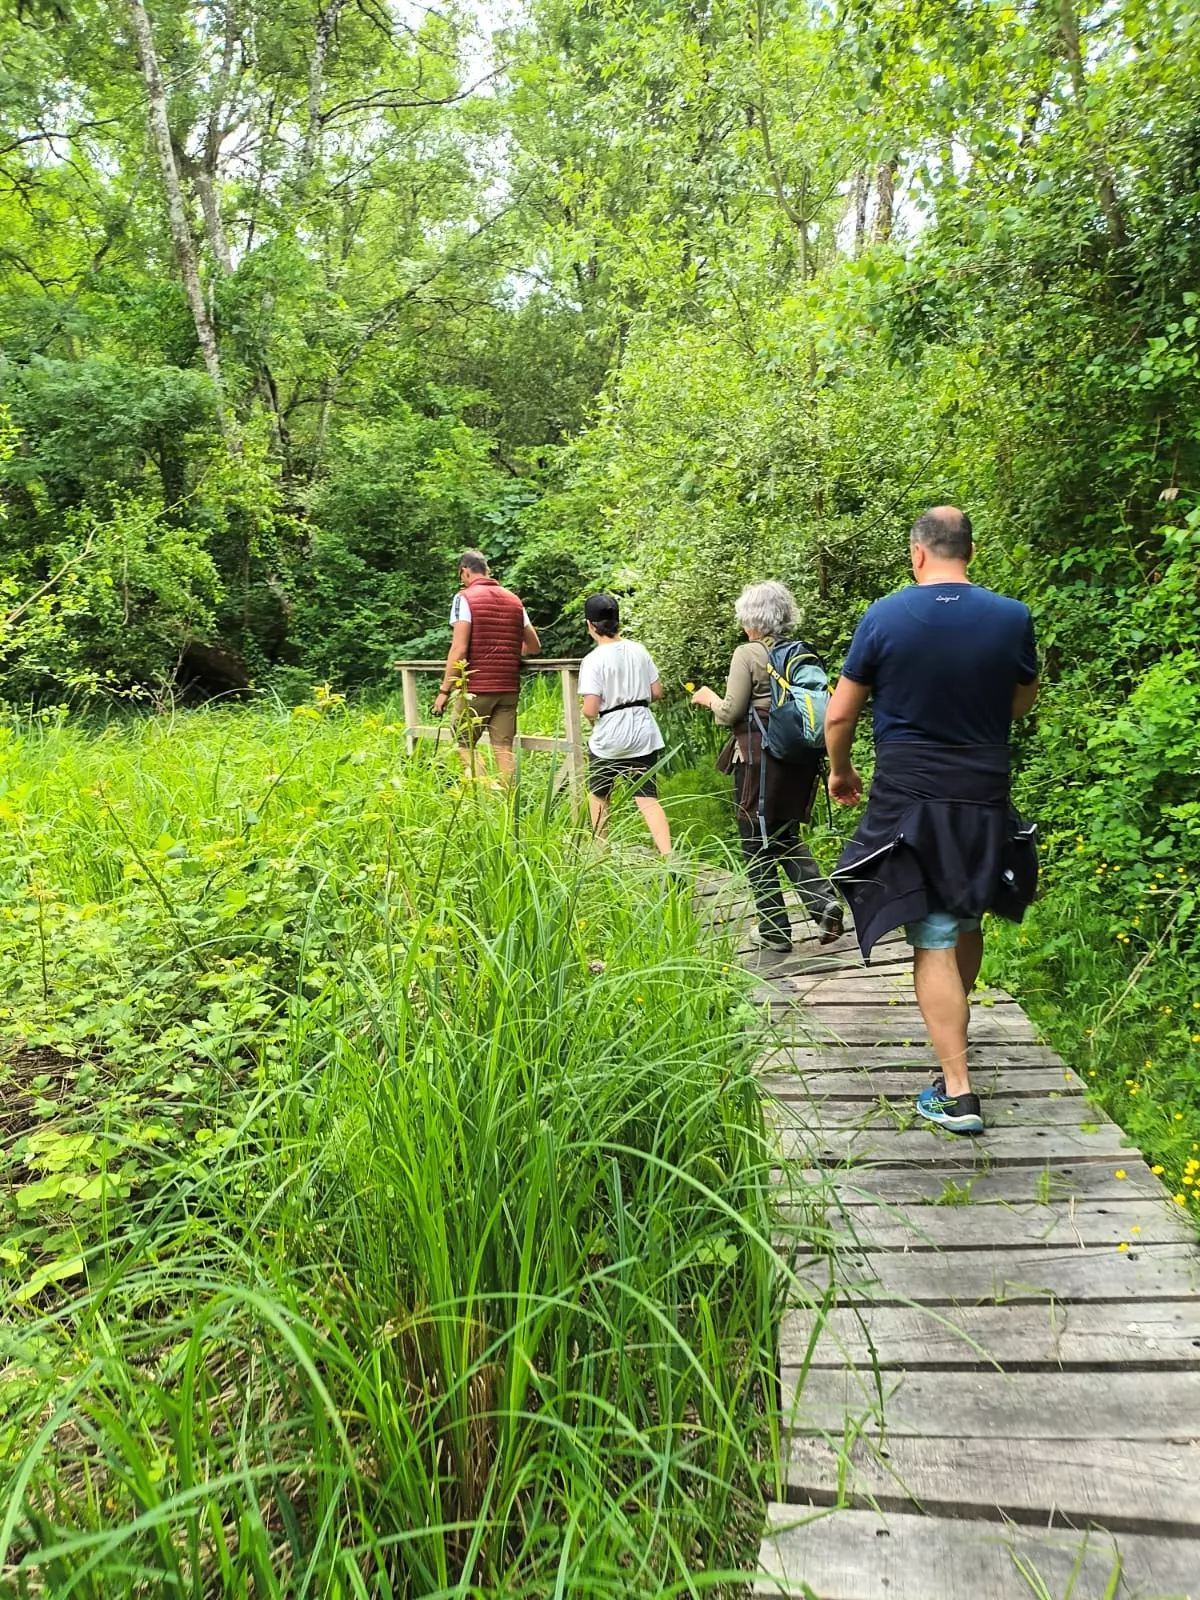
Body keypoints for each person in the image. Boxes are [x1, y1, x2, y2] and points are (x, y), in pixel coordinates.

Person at [824, 506, 1040, 1135]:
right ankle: (954, 1045)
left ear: (917, 553)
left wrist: (840, 771)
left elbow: (839, 714)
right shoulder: (1012, 617)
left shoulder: (884, 616)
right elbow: (1022, 701)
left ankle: (958, 1091)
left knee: (936, 932)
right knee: (965, 915)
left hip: (911, 795)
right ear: (969, 551)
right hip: (983, 791)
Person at [691, 581, 844, 950]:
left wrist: (708, 699)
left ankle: (774, 931)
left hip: (758, 760)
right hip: (796, 759)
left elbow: (730, 712)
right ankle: (823, 903)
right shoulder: (798, 653)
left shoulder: (748, 653)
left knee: (754, 841)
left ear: (752, 621)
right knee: (784, 835)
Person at [427, 550, 540, 780]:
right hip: (508, 688)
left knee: (464, 743)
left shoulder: (464, 598)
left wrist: (444, 691)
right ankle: (507, 800)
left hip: (477, 688)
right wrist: (506, 648)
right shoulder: (514, 600)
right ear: (486, 570)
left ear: (465, 571)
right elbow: (534, 646)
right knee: (503, 749)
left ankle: (484, 794)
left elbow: (459, 648)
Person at [577, 593, 672, 855]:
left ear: (590, 625)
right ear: (617, 621)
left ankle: (599, 853)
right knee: (647, 797)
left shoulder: (593, 659)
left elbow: (590, 708)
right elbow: (656, 692)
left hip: (610, 735)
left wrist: (589, 716)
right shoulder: (639, 650)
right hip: (642, 730)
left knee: (599, 794)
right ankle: (669, 856)